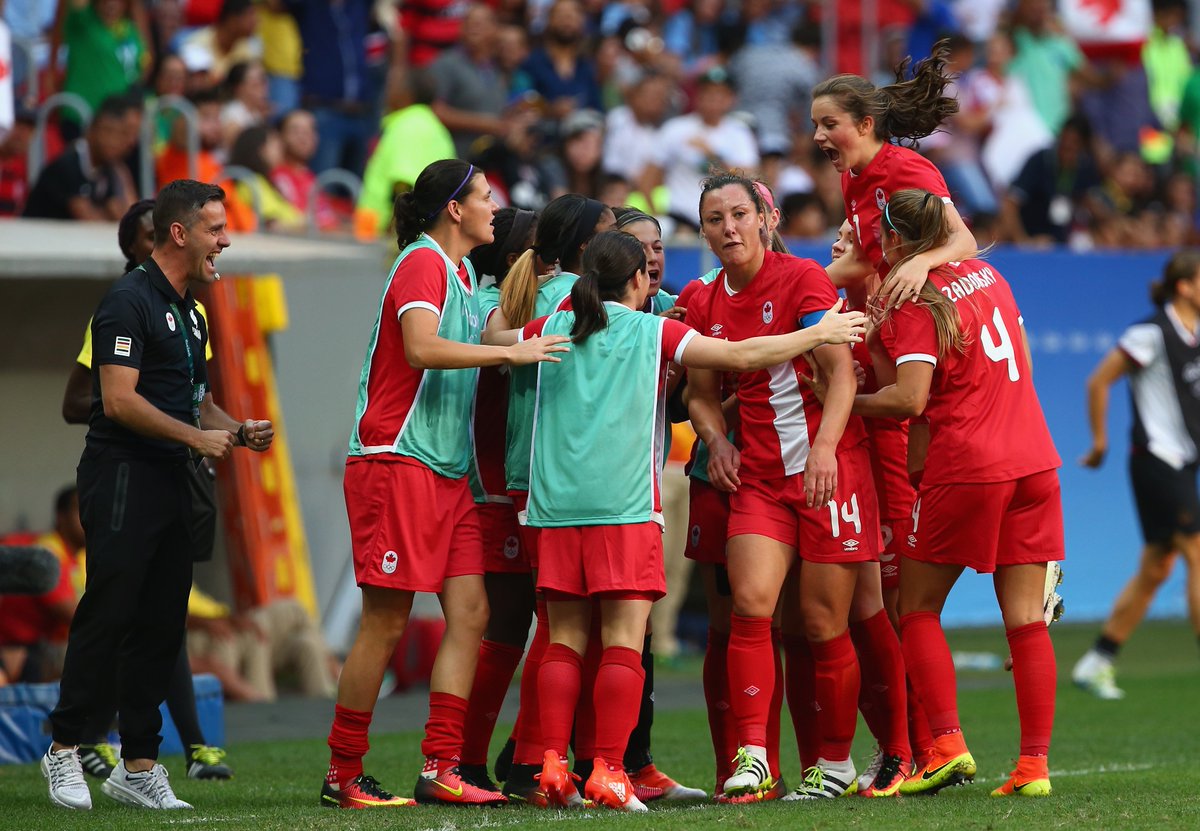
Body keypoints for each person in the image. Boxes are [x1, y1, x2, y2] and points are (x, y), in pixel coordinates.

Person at [514, 230, 865, 810]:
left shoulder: (549, 329)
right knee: (626, 639)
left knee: (564, 638)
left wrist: (506, 337)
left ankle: (552, 763)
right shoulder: (651, 330)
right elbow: (740, 356)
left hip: (554, 508)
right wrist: (819, 333)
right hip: (622, 507)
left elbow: (494, 336)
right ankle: (608, 770)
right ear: (637, 283)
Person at [320, 159, 569, 809]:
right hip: (395, 458)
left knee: (472, 614)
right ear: (454, 209)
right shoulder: (422, 262)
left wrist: (583, 326)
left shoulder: (458, 273)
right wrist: (510, 353)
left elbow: (496, 332)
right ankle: (343, 772)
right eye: (486, 196)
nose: (496, 205)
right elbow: (423, 347)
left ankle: (442, 765)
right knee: (386, 618)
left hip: (445, 470)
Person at [43, 179, 273, 811]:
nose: (225, 241)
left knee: (161, 622)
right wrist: (198, 440)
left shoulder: (191, 310)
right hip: (123, 476)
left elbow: (192, 397)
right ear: (181, 233)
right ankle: (64, 749)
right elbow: (116, 400)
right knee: (110, 611)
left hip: (175, 476)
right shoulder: (126, 301)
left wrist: (235, 430)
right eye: (216, 230)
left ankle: (139, 764)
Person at [831, 187, 1062, 798]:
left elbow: (909, 400)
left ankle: (948, 746)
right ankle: (1033, 768)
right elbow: (1025, 365)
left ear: (900, 240)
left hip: (970, 464)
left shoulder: (914, 299)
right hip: (1034, 458)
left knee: (917, 607)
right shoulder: (990, 274)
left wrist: (843, 404)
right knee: (1024, 622)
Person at [685, 172, 878, 800]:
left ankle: (838, 764)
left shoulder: (802, 280)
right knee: (751, 605)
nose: (729, 228)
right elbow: (700, 395)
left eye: (739, 214)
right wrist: (716, 442)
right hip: (760, 478)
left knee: (824, 624)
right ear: (706, 232)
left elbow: (840, 374)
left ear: (764, 220)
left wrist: (824, 449)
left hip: (827, 473)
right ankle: (755, 759)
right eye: (715, 219)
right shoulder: (703, 299)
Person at [481, 194, 616, 804]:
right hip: (551, 476)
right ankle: (534, 757)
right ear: (588, 248)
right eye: (616, 237)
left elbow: (494, 334)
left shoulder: (535, 295)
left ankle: (530, 752)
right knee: (560, 620)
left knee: (557, 618)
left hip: (533, 475)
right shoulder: (569, 300)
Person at [1074, 250, 1200, 700]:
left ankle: (1098, 659)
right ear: (1184, 286)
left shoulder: (1194, 335)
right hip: (1155, 461)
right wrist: (1100, 442)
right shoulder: (1149, 333)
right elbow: (1098, 381)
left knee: (1156, 568)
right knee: (1195, 552)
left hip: (1182, 463)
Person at [454, 207, 540, 795]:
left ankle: (514, 751)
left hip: (510, 484)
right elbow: (494, 338)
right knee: (507, 619)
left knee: (533, 617)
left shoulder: (509, 303)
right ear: (515, 261)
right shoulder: (488, 302)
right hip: (491, 487)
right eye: (543, 250)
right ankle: (468, 756)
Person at [811, 38, 979, 306]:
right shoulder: (849, 177)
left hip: (940, 309)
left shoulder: (906, 168)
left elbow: (965, 241)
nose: (818, 136)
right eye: (816, 125)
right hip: (898, 309)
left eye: (829, 124)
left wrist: (922, 262)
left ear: (865, 125)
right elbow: (863, 260)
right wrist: (799, 288)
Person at [640, 65, 760, 233]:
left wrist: (711, 154)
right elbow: (647, 178)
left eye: (720, 94)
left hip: (725, 217)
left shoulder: (739, 133)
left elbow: (748, 179)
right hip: (681, 215)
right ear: (698, 96)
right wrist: (655, 214)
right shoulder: (675, 129)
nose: (713, 99)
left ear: (731, 99)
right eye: (708, 93)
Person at [23, 95, 136, 222]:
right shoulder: (68, 165)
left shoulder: (108, 169)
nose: (113, 141)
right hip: (35, 236)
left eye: (119, 135)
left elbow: (121, 216)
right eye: (107, 131)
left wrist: (122, 175)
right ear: (90, 131)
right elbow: (87, 218)